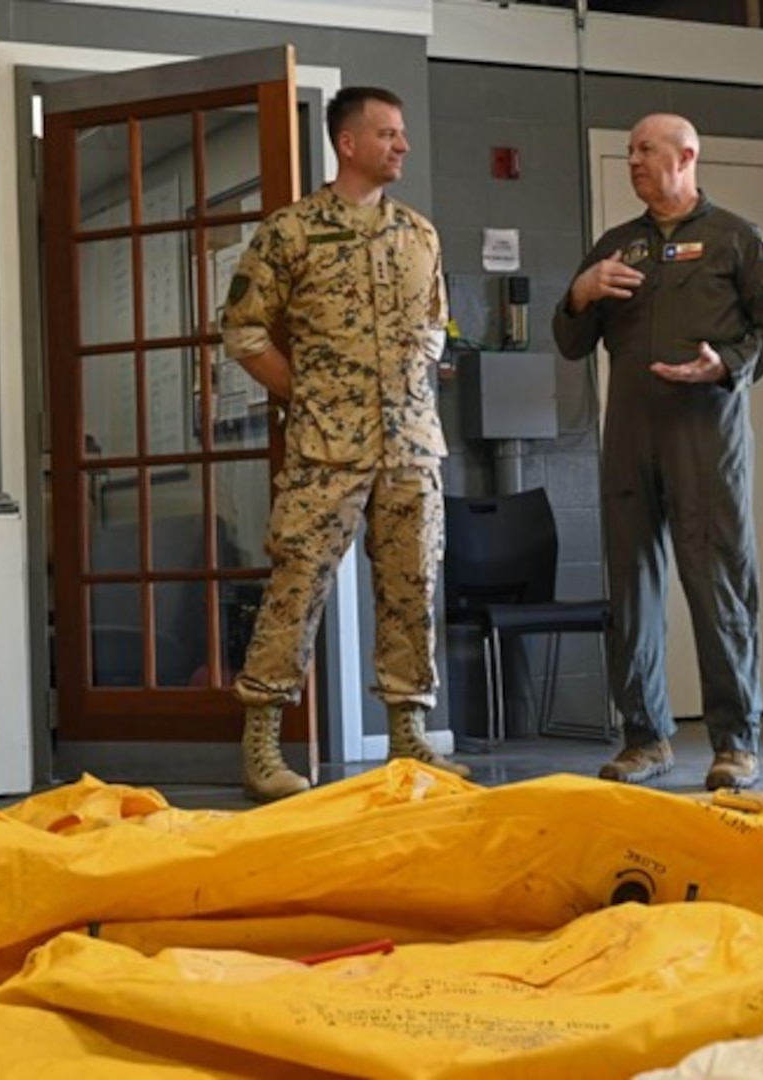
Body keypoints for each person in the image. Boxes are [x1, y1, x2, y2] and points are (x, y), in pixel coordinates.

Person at [220, 86, 468, 802]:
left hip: (411, 448)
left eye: (402, 134)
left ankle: (406, 734)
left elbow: (434, 326)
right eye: (388, 134)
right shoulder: (290, 232)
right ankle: (263, 739)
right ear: (348, 143)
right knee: (296, 585)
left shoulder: (419, 234)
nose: (402, 146)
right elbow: (244, 331)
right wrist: (306, 395)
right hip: (325, 448)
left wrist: (411, 387)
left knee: (412, 587)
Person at [552, 112, 763, 792]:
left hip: (704, 435)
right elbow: (570, 341)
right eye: (629, 150)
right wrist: (578, 294)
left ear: (686, 155)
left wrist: (723, 364)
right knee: (631, 589)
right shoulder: (615, 248)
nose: (633, 160)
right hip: (630, 436)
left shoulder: (736, 239)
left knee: (716, 584)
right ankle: (644, 738)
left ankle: (734, 743)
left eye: (645, 149)